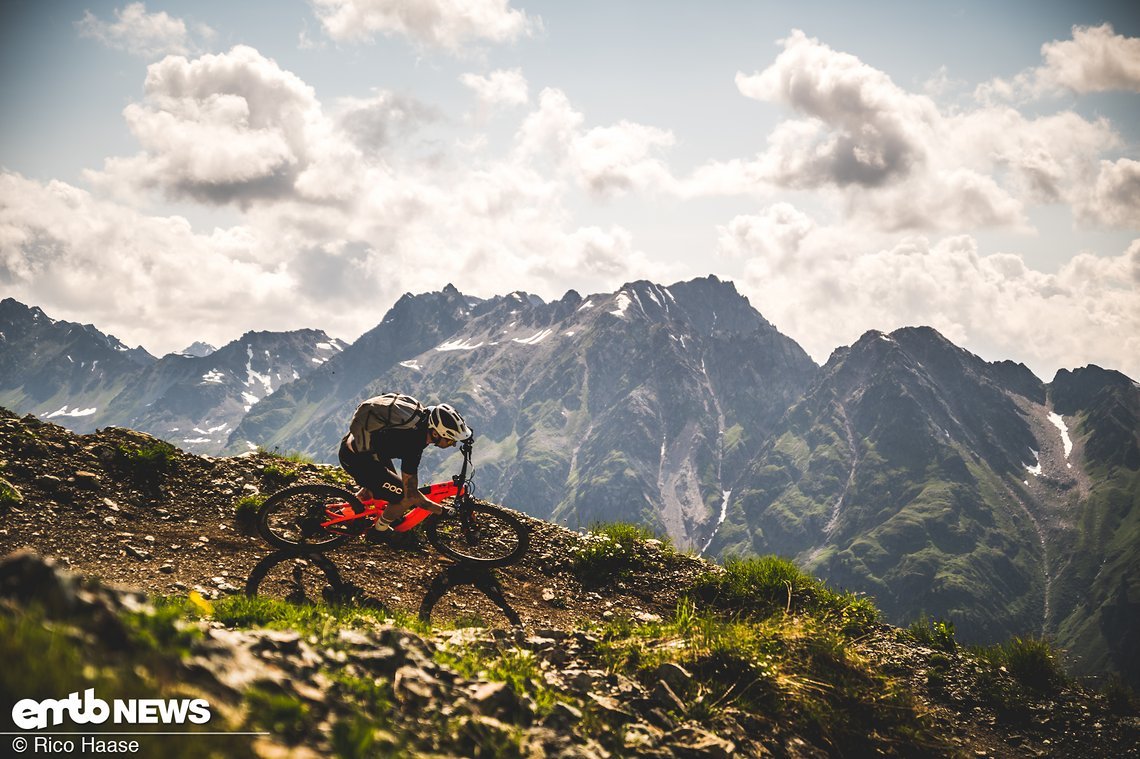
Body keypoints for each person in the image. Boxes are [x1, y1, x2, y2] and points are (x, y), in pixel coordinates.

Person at [338, 396, 472, 534]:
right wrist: (441, 510)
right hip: (357, 460)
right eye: (450, 441)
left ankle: (347, 512)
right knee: (402, 496)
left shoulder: (419, 418)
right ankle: (379, 531)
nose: (453, 444)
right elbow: (412, 495)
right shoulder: (414, 443)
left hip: (357, 449)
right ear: (435, 433)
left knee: (388, 484)